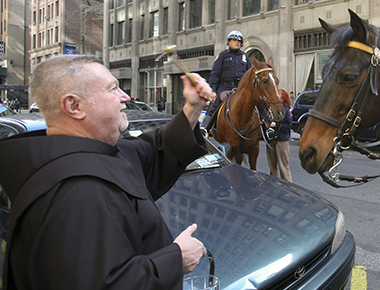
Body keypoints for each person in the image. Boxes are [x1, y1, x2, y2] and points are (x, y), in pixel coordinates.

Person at [0, 55, 215, 289]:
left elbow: (156, 151)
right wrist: (176, 259)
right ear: (74, 106)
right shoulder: (77, 191)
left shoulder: (98, 154)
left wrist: (193, 108)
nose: (125, 97)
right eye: (113, 89)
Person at [202, 30, 251, 129]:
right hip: (224, 86)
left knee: (256, 104)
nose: (237, 42)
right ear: (229, 42)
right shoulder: (222, 55)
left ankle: (267, 128)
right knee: (214, 107)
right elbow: (214, 75)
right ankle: (204, 130)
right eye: (234, 40)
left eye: (239, 41)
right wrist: (212, 91)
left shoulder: (244, 57)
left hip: (240, 88)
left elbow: (249, 75)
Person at [266, 89, 293, 182]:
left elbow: (289, 125)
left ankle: (288, 188)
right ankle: (275, 186)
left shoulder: (286, 111)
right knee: (272, 168)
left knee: (284, 167)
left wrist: (277, 125)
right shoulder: (271, 110)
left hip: (281, 141)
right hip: (271, 141)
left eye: (279, 96)